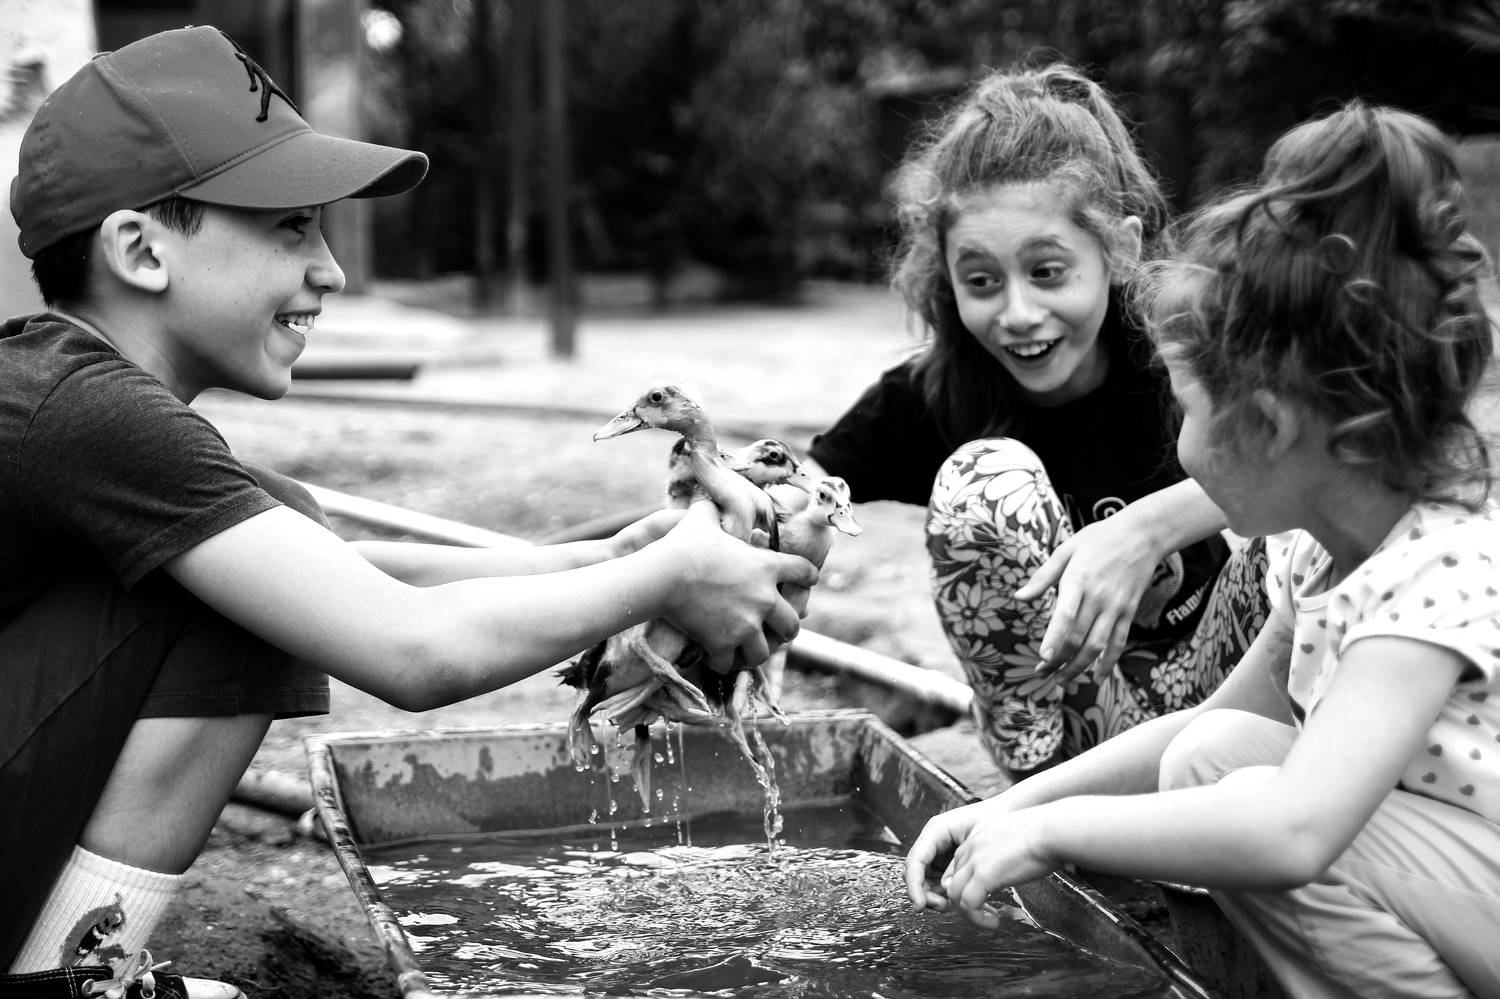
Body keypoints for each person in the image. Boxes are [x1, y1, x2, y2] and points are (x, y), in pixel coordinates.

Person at [0, 26, 817, 999]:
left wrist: (619, 556)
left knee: (276, 539)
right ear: (141, 250)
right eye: (291, 228)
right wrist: (671, 577)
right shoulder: (89, 414)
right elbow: (410, 648)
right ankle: (69, 977)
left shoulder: (71, 397)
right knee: (247, 606)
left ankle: (78, 964)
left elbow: (342, 575)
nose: (331, 270)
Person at [904, 100, 1500, 998]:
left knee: (1254, 804)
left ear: (1267, 427)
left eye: (1187, 408)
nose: (1177, 440)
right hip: (1457, 877)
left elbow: (1295, 830)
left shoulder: (1432, 573)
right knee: (1212, 754)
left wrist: (1054, 835)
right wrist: (1009, 805)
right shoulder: (1319, 556)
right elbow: (1197, 727)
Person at [807, 63, 1268, 779]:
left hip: (1227, 699)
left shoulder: (1176, 356)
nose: (1018, 314)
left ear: (1120, 249)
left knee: (1305, 544)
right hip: (1070, 729)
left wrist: (1140, 532)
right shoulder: (937, 392)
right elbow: (807, 483)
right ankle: (1048, 796)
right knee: (984, 475)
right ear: (947, 276)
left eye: (1047, 271)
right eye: (982, 281)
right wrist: (717, 527)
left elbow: (1310, 458)